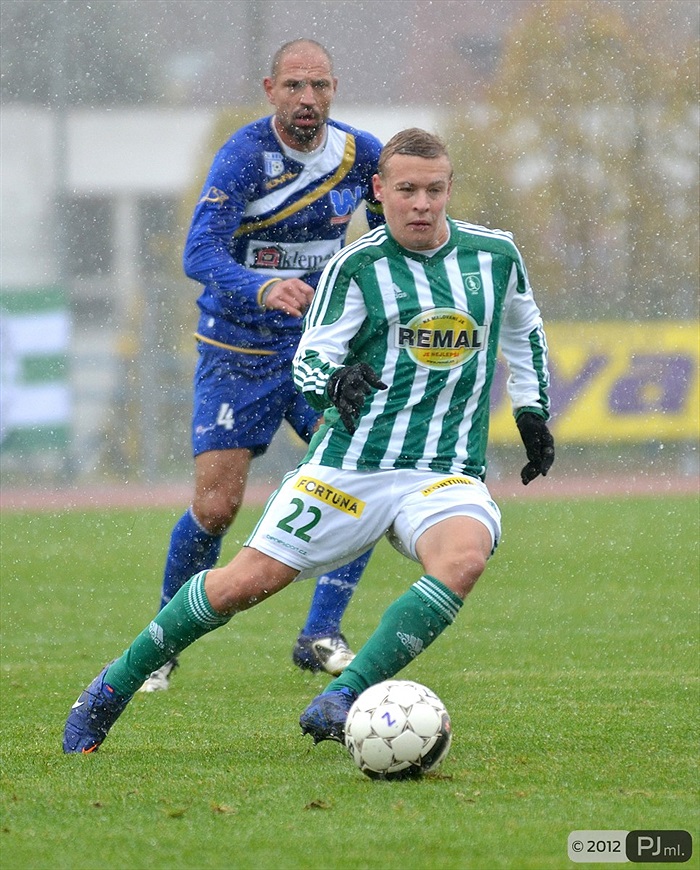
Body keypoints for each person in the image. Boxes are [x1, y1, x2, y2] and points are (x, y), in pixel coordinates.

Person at [63, 128, 554, 754]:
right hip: (351, 467)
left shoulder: (496, 257)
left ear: (449, 189)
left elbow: (524, 332)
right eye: (406, 190)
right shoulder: (358, 266)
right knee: (243, 583)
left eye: (434, 190)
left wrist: (534, 412)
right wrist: (334, 384)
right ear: (380, 190)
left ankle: (344, 694)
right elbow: (312, 361)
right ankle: (111, 688)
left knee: (463, 560)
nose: (421, 204)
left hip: (444, 471)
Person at [140, 39, 385, 692]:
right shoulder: (245, 156)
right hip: (237, 353)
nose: (308, 101)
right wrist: (260, 286)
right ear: (270, 88)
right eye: (295, 87)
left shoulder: (363, 155)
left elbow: (388, 239)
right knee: (217, 508)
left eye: (320, 87)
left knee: (360, 480)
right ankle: (162, 641)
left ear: (335, 89)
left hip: (317, 352)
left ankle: (321, 632)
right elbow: (199, 252)